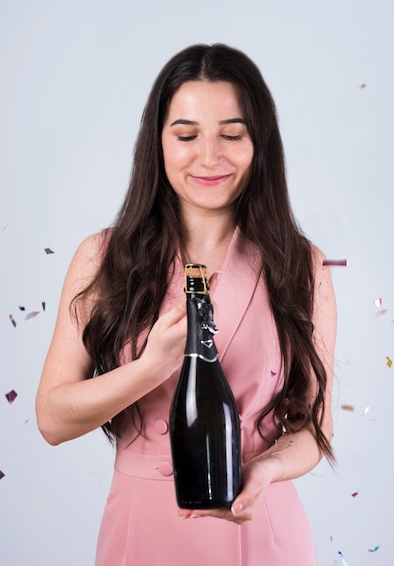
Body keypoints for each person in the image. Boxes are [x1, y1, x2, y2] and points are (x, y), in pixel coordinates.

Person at [36, 43, 337, 566]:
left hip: (260, 527)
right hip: (144, 531)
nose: (209, 156)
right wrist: (149, 368)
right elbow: (52, 418)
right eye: (187, 135)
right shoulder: (103, 258)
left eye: (232, 134)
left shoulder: (302, 265)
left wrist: (267, 468)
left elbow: (315, 427)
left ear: (259, 143)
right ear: (158, 144)